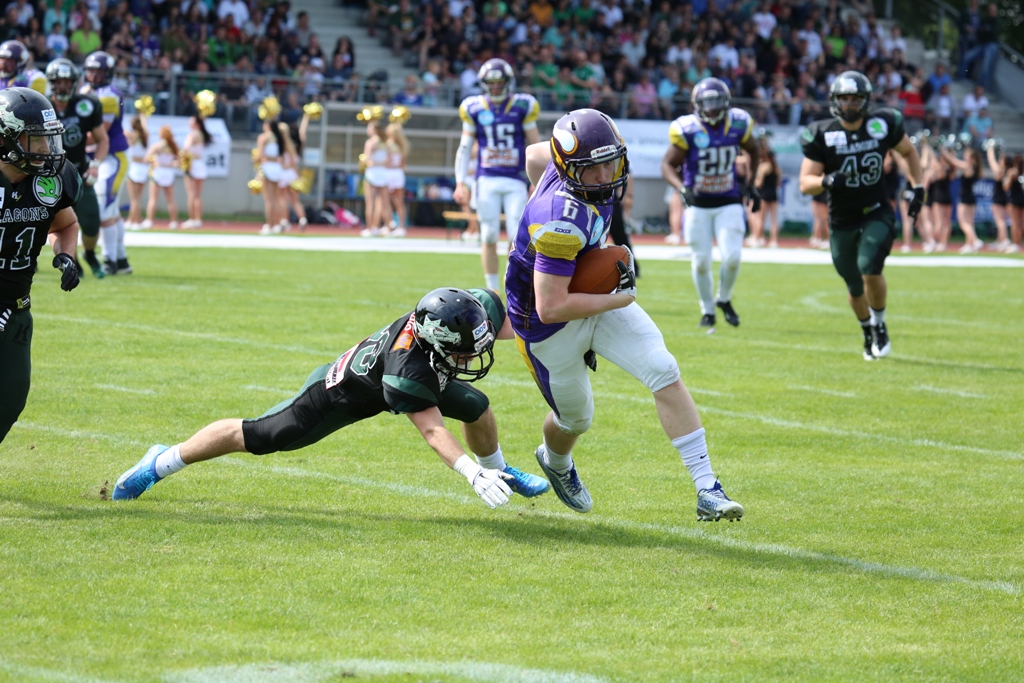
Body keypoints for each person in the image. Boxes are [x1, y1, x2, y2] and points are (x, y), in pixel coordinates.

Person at [505, 108, 744, 522]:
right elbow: (552, 305)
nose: (604, 176)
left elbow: (533, 155)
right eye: (591, 169)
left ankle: (708, 488)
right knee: (576, 419)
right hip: (547, 325)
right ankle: (556, 462)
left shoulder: (564, 165)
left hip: (582, 293)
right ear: (570, 167)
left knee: (662, 368)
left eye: (609, 163)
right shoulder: (559, 220)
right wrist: (620, 298)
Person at [111, 287, 550, 506]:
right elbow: (433, 431)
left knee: (476, 405)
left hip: (409, 371)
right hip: (340, 394)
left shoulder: (459, 309)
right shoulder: (407, 373)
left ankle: (501, 471)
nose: (474, 354)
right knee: (262, 436)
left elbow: (506, 321)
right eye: (464, 348)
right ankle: (161, 461)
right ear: (437, 341)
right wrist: (471, 475)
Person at [799, 71, 925, 362]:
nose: (851, 104)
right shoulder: (823, 132)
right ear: (835, 101)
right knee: (854, 284)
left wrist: (918, 185)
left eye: (856, 98)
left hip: (876, 211)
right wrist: (826, 181)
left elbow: (908, 151)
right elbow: (805, 182)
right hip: (842, 218)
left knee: (869, 266)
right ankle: (867, 330)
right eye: (845, 98)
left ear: (867, 100)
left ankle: (879, 323)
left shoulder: (881, 124)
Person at [0, 87, 83, 444]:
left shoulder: (49, 180)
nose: (46, 150)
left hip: (17, 307)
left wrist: (65, 255)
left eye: (48, 140)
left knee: (10, 399)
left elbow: (65, 224)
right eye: (34, 140)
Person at [661, 77, 761, 329]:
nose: (712, 108)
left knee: (733, 257)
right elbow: (667, 164)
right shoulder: (688, 129)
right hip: (698, 202)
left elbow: (754, 150)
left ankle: (724, 299)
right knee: (702, 260)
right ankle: (707, 310)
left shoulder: (738, 123)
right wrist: (681, 187)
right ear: (697, 105)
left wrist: (750, 183)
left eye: (717, 103)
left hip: (728, 200)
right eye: (708, 103)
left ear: (726, 103)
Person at [454, 58, 541, 290]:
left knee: (517, 236)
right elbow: (464, 148)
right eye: (491, 83)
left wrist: (540, 181)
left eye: (499, 82)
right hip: (486, 178)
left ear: (508, 82)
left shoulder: (523, 105)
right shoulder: (474, 107)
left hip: (515, 179)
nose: (495, 87)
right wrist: (460, 182)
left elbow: (535, 146)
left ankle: (513, 285)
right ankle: (492, 289)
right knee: (489, 235)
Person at [45, 58, 108, 279]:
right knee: (52, 224)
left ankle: (89, 253)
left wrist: (95, 166)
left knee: (91, 222)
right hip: (47, 177)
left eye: (66, 81)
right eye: (58, 81)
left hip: (78, 173)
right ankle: (70, 261)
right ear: (52, 82)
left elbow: (102, 139)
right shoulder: (40, 105)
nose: (62, 85)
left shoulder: (86, 105)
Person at [80, 51, 131, 275]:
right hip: (97, 156)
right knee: (112, 212)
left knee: (103, 211)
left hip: (113, 157)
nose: (94, 75)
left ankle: (110, 260)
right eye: (91, 71)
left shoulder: (109, 95)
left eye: (99, 72)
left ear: (108, 73)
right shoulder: (84, 91)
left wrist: (73, 137)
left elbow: (101, 135)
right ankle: (121, 261)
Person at [942, 145, 984, 253]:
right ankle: (969, 244)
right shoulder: (975, 167)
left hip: (965, 197)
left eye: (967, 155)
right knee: (969, 222)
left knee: (963, 223)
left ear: (973, 158)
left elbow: (954, 161)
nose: (965, 157)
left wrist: (944, 151)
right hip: (971, 197)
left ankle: (975, 240)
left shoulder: (969, 166)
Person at [359, 113, 390, 237]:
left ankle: (370, 228)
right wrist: (380, 163)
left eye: (370, 128)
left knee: (370, 202)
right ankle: (386, 226)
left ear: (375, 130)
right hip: (382, 173)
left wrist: (364, 161)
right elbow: (388, 160)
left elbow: (367, 160)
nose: (368, 130)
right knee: (383, 202)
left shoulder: (371, 142)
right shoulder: (385, 143)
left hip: (372, 173)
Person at [144, 125, 179, 229]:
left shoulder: (157, 146)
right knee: (170, 200)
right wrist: (170, 164)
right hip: (169, 173)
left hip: (158, 172)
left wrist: (154, 162)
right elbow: (179, 161)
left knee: (153, 199)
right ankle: (173, 222)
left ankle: (149, 220)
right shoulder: (173, 146)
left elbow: (146, 159)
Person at [181, 115, 212, 230]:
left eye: (192, 121)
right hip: (200, 164)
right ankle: (198, 220)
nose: (190, 123)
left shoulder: (193, 135)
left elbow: (186, 149)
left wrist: (180, 158)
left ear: (197, 124)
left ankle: (192, 219)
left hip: (192, 164)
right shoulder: (201, 134)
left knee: (191, 195)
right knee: (198, 195)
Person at [256, 117, 286, 235]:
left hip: (268, 167)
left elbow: (260, 155)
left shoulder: (263, 137)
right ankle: (277, 224)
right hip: (277, 168)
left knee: (268, 199)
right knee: (276, 199)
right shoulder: (278, 137)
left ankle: (269, 225)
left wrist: (255, 159)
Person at [752, 135, 781, 248]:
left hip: (763, 194)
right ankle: (774, 241)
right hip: (773, 194)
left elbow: (759, 183)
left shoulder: (763, 167)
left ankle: (757, 238)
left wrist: (752, 182)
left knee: (760, 218)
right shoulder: (777, 168)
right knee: (774, 219)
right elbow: (778, 183)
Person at [985, 141, 1011, 252]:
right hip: (1003, 198)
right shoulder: (1007, 170)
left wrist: (990, 149)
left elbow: (991, 161)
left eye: (1001, 160)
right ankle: (1000, 240)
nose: (999, 161)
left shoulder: (1001, 170)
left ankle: (1004, 240)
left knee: (1000, 221)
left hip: (998, 198)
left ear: (1004, 162)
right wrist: (1000, 152)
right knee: (1001, 220)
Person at [384, 120, 409, 237]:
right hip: (399, 174)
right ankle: (401, 227)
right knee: (399, 202)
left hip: (390, 173)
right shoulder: (402, 146)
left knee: (386, 201)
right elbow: (403, 164)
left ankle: (388, 225)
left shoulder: (387, 145)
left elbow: (387, 162)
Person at [124, 116, 149, 230]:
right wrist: (143, 116)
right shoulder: (145, 135)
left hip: (135, 167)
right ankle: (133, 219)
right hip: (143, 167)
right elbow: (145, 127)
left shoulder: (133, 135)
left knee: (134, 198)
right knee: (136, 198)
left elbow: (128, 140)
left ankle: (135, 221)